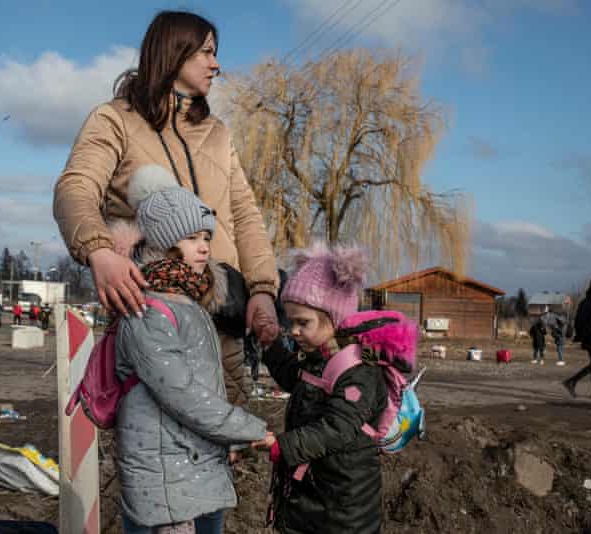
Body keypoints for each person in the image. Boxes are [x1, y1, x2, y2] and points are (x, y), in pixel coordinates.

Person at [53, 10, 280, 407]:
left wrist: (262, 288)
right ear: (174, 53)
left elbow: (244, 214)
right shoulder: (114, 120)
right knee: (154, 446)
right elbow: (76, 187)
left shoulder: (217, 133)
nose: (217, 64)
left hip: (222, 320)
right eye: (207, 52)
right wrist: (99, 251)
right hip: (153, 315)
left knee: (223, 442)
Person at [112, 166, 268, 534]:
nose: (204, 246)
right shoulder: (148, 309)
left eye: (206, 237)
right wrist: (245, 429)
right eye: (192, 236)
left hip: (191, 465)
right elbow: (181, 393)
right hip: (166, 477)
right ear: (165, 242)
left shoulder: (187, 302)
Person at [255, 243, 387, 534]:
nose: (294, 330)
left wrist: (282, 446)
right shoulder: (318, 359)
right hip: (313, 494)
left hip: (344, 508)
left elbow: (336, 429)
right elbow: (294, 378)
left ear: (335, 320)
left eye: (303, 322)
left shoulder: (359, 371)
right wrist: (270, 345)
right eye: (291, 322)